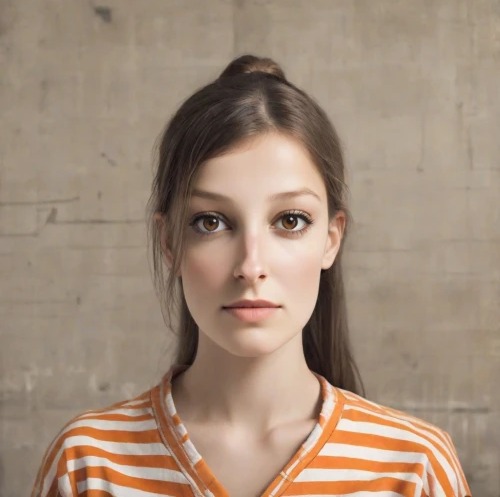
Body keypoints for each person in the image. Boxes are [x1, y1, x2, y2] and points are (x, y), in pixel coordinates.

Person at [31, 54, 472, 497]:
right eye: (210, 222)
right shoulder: (87, 464)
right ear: (168, 242)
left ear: (331, 239)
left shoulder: (414, 467)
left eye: (291, 220)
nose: (251, 266)